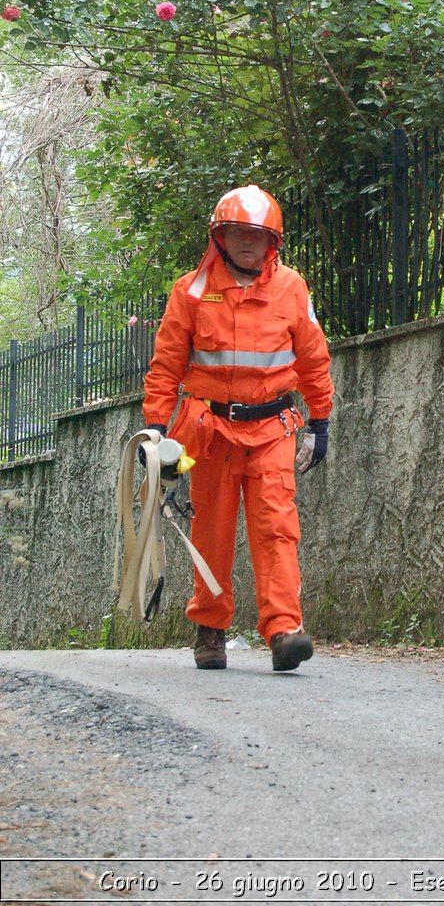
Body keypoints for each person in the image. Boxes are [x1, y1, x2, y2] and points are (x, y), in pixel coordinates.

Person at [142, 185, 334, 673]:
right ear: (219, 237)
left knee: (277, 529)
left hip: (273, 429)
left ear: (273, 242)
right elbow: (165, 367)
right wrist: (156, 431)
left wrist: (320, 421)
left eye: (258, 235)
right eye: (236, 233)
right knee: (212, 532)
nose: (247, 243)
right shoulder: (190, 291)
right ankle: (210, 629)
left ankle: (284, 631)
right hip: (212, 433)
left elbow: (313, 358)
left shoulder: (292, 289)